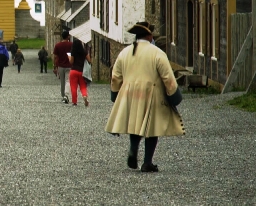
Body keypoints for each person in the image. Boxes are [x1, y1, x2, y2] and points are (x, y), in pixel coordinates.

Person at [105, 21, 184, 172]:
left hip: (130, 94)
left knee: (135, 125)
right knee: (152, 127)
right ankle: (147, 162)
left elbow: (115, 77)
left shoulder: (125, 52)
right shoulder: (157, 53)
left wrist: (115, 95)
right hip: (151, 93)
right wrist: (174, 95)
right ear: (148, 35)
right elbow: (167, 77)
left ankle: (133, 150)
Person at [68, 38, 91, 107]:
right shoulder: (84, 52)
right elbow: (89, 60)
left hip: (73, 71)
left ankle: (74, 102)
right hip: (82, 71)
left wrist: (69, 58)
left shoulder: (73, 52)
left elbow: (71, 62)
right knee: (83, 86)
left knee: (73, 87)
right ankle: (84, 96)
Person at [53, 30, 73, 103]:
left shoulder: (58, 45)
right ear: (68, 36)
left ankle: (63, 95)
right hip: (69, 65)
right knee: (68, 81)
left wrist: (54, 67)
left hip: (60, 66)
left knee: (62, 81)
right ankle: (66, 95)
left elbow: (55, 57)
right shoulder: (71, 44)